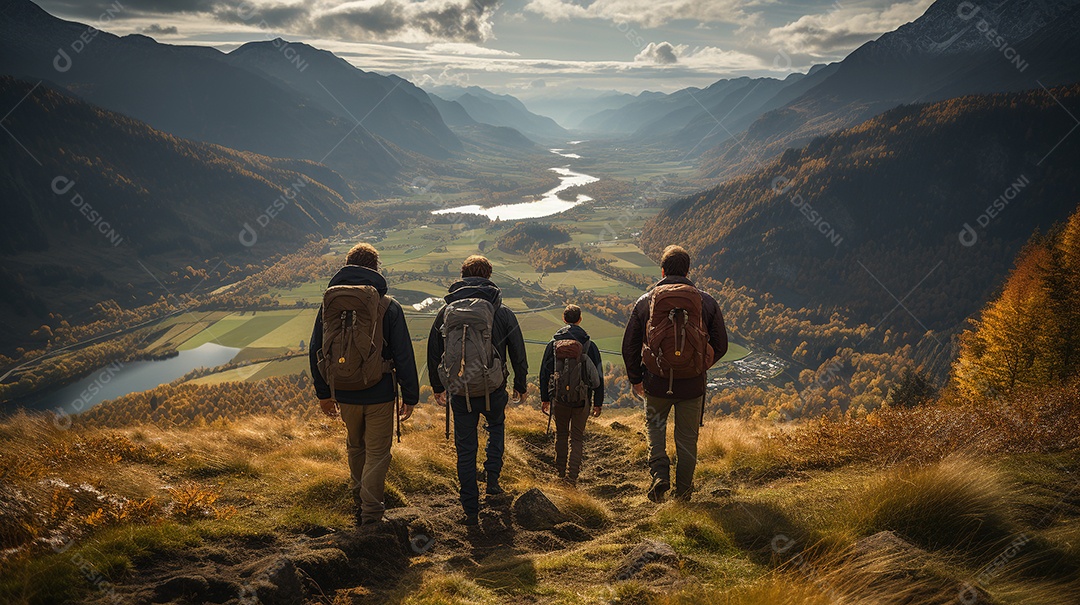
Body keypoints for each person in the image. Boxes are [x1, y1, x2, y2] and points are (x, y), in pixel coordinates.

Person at [309, 243, 419, 525]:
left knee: (355, 447)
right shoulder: (389, 306)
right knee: (378, 453)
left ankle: (359, 500)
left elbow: (316, 350)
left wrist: (324, 394)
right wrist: (411, 395)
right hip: (380, 391)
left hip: (344, 390)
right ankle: (371, 514)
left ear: (347, 266)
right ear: (375, 269)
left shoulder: (330, 304)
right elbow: (403, 353)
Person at [428, 255, 528, 526]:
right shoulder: (502, 311)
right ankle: (493, 481)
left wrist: (439, 387)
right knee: (496, 429)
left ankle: (470, 508)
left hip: (460, 390)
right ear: (489, 276)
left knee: (465, 446)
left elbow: (434, 350)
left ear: (462, 277)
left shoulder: (446, 312)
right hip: (494, 387)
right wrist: (520, 384)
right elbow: (518, 350)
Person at [621, 245, 727, 503]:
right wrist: (698, 365)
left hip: (656, 382)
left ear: (662, 270)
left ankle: (659, 476)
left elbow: (630, 345)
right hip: (692, 386)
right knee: (687, 440)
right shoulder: (707, 301)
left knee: (655, 430)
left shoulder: (646, 301)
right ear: (688, 270)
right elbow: (721, 344)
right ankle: (683, 494)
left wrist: (636, 379)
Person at [540, 304, 604, 486]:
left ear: (564, 318)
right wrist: (598, 402)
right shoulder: (589, 345)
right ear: (580, 319)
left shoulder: (553, 344)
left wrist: (545, 398)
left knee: (561, 435)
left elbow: (544, 373)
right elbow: (598, 376)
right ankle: (572, 477)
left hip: (559, 399)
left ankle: (559, 473)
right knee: (577, 438)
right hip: (582, 400)